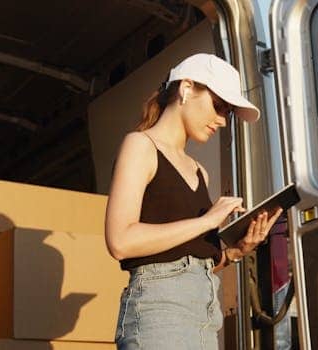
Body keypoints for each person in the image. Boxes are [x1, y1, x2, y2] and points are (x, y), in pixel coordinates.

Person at [104, 53, 283, 349]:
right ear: (186, 89)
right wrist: (207, 221)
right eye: (218, 106)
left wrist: (236, 251)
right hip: (159, 313)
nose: (222, 121)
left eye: (227, 113)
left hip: (204, 317)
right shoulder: (140, 145)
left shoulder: (201, 172)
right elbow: (120, 240)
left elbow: (189, 259)